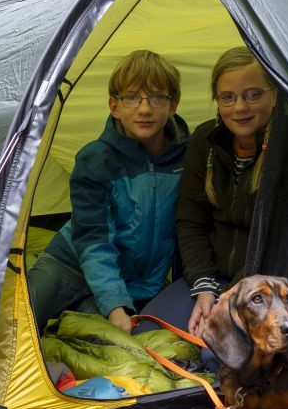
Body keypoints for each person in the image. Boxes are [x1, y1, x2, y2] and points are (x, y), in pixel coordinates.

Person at [28, 50, 189, 334]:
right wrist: (115, 305)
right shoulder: (95, 160)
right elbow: (94, 238)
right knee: (16, 319)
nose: (144, 109)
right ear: (114, 106)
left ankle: (87, 308)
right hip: (70, 265)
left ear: (172, 105)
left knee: (131, 342)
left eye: (156, 98)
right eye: (132, 98)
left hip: (140, 283)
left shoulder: (189, 157)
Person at [176, 46, 288, 337]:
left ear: (275, 94)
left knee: (215, 353)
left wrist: (230, 300)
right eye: (228, 97)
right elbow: (191, 222)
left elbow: (285, 245)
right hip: (211, 279)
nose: (239, 108)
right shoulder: (204, 142)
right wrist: (205, 289)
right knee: (157, 336)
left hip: (273, 286)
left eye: (253, 95)